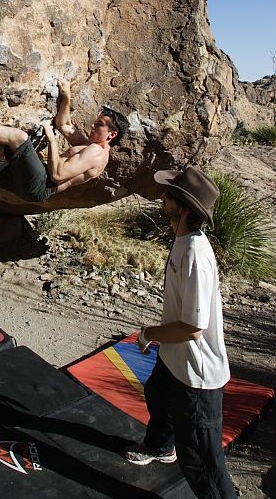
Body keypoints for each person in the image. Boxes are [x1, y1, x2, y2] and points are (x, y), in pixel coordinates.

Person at [125, 166, 237, 499]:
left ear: (184, 208)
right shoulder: (182, 237)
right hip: (176, 361)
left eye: (169, 195)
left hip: (198, 377)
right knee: (157, 394)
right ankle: (160, 446)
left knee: (202, 462)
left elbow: (192, 327)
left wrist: (148, 334)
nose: (163, 197)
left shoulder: (195, 254)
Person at [0, 77, 129, 250]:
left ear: (111, 134)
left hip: (41, 184)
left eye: (100, 125)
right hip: (35, 184)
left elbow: (57, 174)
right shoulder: (91, 145)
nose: (93, 125)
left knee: (18, 138)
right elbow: (64, 125)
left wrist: (50, 139)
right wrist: (67, 96)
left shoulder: (96, 153)